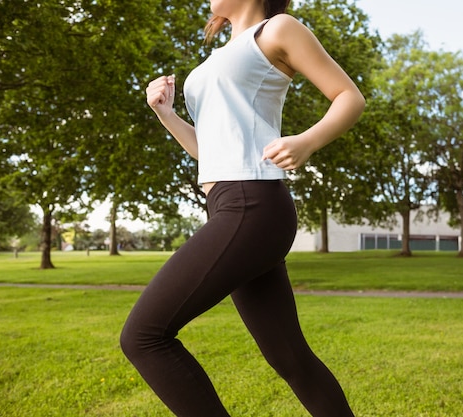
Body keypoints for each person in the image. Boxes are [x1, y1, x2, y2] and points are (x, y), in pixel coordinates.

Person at [120, 0, 365, 415]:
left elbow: (349, 97)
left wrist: (305, 141)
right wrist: (166, 115)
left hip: (252, 203)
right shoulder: (219, 55)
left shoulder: (276, 30)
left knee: (143, 336)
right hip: (232, 206)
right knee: (290, 358)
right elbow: (212, 153)